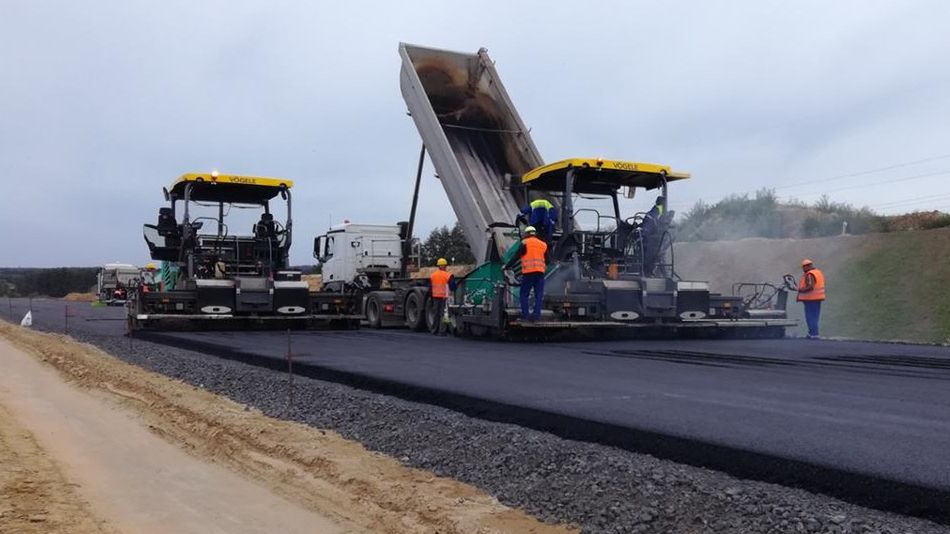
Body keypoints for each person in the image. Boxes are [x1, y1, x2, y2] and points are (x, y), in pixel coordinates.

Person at [504, 226, 548, 322]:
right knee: (539, 295)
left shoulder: (524, 243)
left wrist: (506, 266)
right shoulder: (543, 244)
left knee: (524, 294)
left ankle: (526, 316)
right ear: (534, 233)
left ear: (527, 234)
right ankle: (536, 316)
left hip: (529, 273)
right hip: (540, 273)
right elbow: (547, 260)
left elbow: (516, 256)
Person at [797, 258, 826, 339]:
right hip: (817, 299)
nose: (803, 269)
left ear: (807, 266)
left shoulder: (810, 274)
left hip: (811, 299)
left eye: (804, 267)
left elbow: (810, 287)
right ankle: (813, 333)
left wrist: (800, 290)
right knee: (815, 316)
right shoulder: (818, 272)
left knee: (810, 317)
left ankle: (813, 334)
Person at [428, 258, 456, 335]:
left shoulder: (433, 275)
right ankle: (442, 331)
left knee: (436, 314)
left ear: (438, 266)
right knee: (444, 315)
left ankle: (434, 330)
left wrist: (431, 297)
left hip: (435, 297)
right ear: (444, 266)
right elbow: (453, 286)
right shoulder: (448, 275)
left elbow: (430, 287)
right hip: (444, 297)